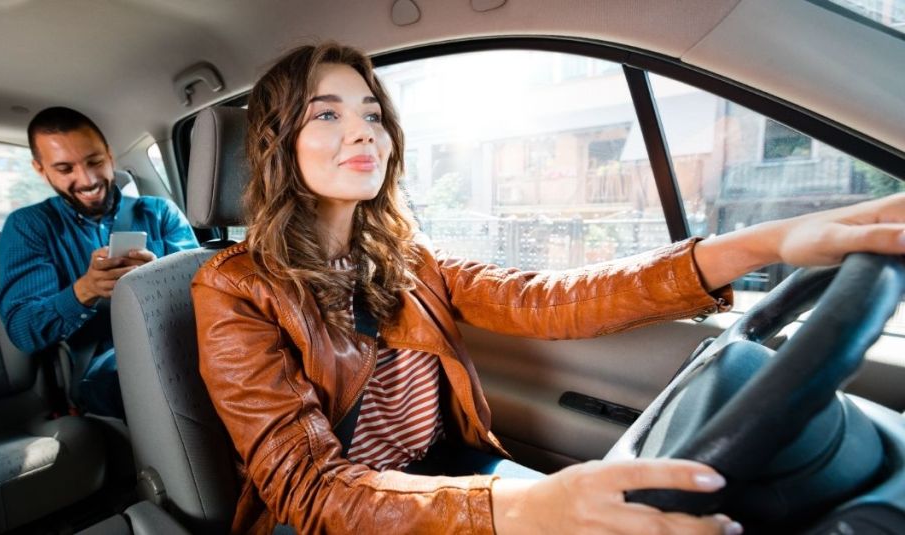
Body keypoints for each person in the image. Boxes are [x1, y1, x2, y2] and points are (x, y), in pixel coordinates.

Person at [191, 43, 905, 535]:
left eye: (373, 113)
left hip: (446, 477)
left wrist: (771, 242)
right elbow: (311, 489)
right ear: (276, 143)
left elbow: (552, 297)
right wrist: (520, 509)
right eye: (327, 113)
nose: (365, 132)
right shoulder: (233, 287)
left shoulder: (405, 257)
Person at [0, 106, 198, 418]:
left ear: (110, 155)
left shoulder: (160, 213)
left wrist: (158, 279)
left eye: (95, 162)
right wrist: (84, 290)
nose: (88, 180)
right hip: (100, 366)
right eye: (65, 169)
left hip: (178, 344)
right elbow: (23, 330)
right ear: (41, 170)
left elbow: (202, 294)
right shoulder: (28, 226)